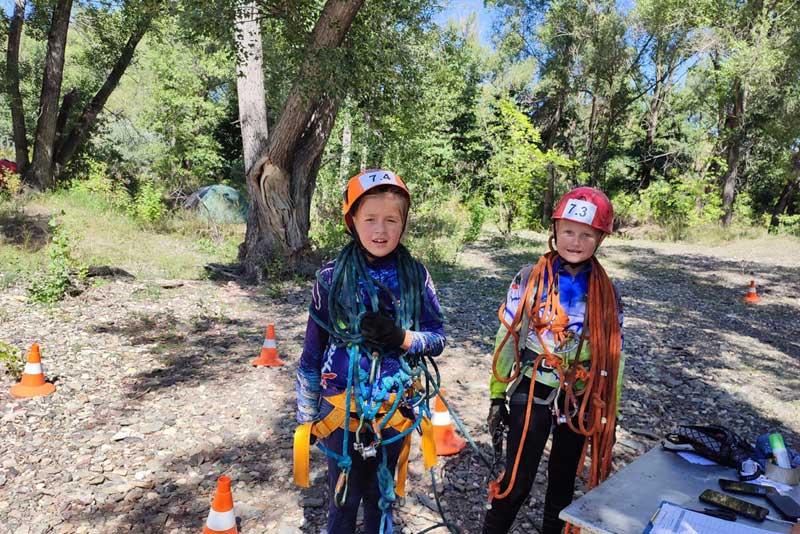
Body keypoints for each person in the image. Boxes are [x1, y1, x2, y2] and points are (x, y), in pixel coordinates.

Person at [295, 169, 446, 534]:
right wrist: (305, 415)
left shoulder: (416, 275)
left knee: (381, 497)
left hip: (394, 406)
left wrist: (400, 337)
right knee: (343, 501)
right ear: (352, 222)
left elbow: (437, 337)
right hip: (340, 408)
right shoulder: (331, 279)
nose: (381, 230)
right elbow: (312, 353)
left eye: (392, 220)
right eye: (370, 220)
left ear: (404, 223)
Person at [482, 187, 624, 534]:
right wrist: (498, 394)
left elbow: (615, 353)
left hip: (580, 395)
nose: (575, 241)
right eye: (569, 231)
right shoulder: (530, 278)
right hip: (533, 388)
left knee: (562, 487)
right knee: (516, 481)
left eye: (586, 234)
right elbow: (508, 335)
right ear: (555, 231)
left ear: (599, 239)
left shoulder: (608, 292)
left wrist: (611, 411)